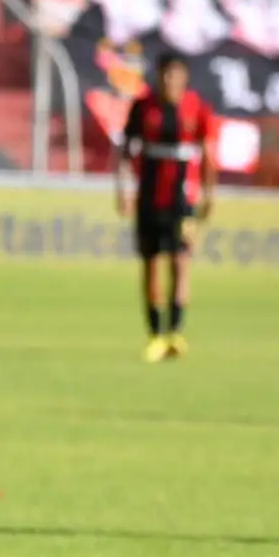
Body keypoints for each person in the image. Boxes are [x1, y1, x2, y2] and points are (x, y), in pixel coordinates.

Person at [115, 52, 215, 363]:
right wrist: (123, 189)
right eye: (166, 75)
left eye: (176, 75)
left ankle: (175, 332)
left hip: (183, 198)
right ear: (158, 77)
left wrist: (209, 193)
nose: (171, 81)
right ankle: (155, 333)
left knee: (181, 260)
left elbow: (208, 152)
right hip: (149, 196)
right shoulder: (143, 107)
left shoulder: (196, 107)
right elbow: (126, 150)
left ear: (185, 78)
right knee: (151, 262)